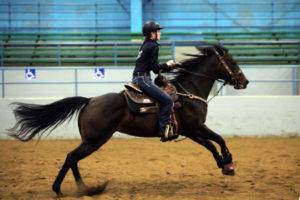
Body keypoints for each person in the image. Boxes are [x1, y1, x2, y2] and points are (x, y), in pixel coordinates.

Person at [132, 21, 178, 142]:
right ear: (152, 34)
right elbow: (155, 68)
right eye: (158, 31)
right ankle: (163, 131)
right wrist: (169, 65)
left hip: (138, 77)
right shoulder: (153, 45)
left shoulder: (145, 44)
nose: (160, 33)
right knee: (167, 100)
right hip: (143, 79)